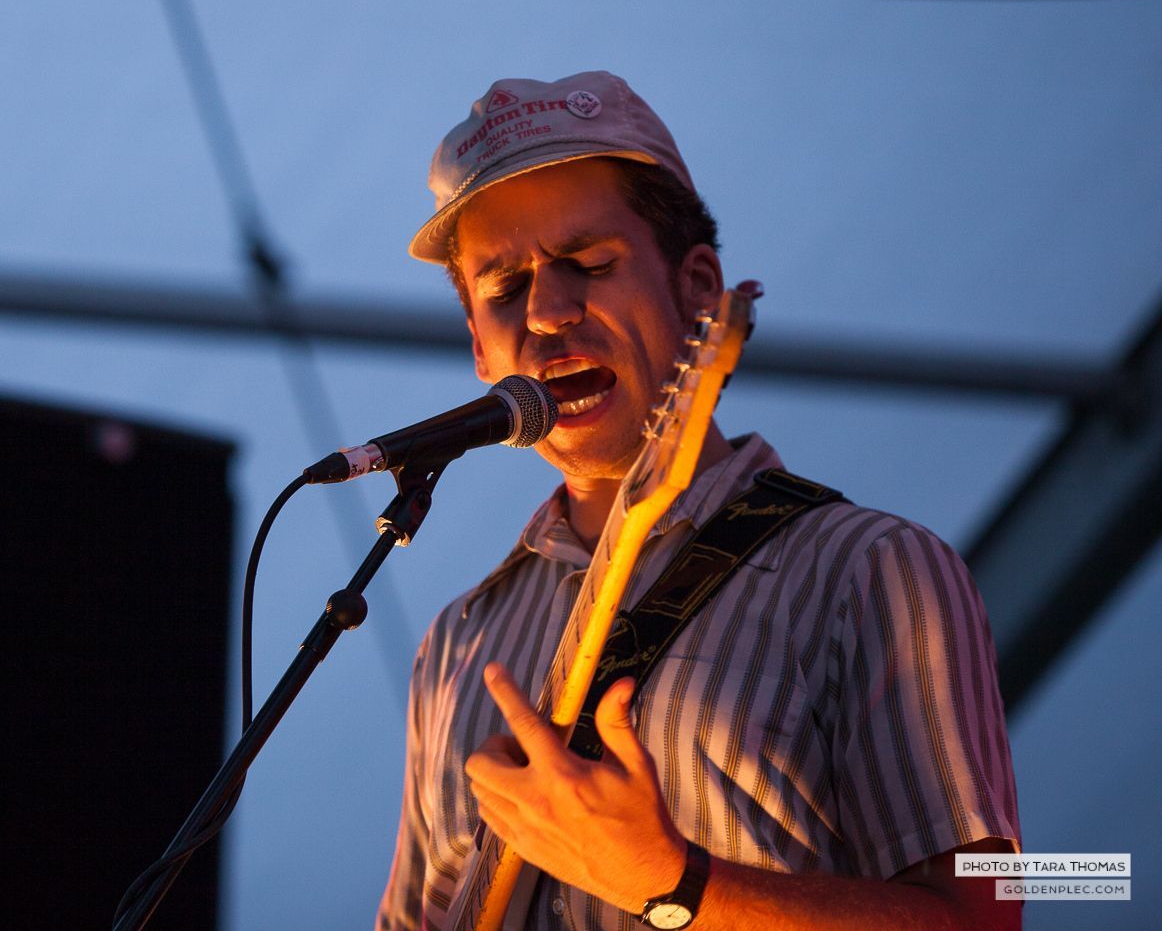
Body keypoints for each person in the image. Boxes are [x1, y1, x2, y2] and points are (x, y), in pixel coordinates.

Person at [378, 71, 1021, 930]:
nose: (548, 312)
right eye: (502, 290)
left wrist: (675, 883)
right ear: (480, 352)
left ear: (697, 288)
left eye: (590, 264)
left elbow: (996, 913)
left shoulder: (872, 570)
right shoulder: (455, 645)